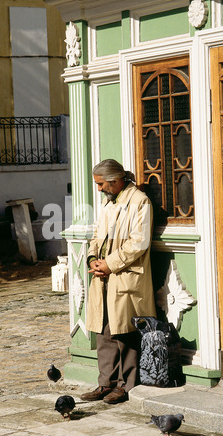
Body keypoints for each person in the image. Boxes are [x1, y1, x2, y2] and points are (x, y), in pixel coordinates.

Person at [80, 159, 156, 405]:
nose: (99, 189)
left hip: (125, 277)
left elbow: (138, 243)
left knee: (125, 333)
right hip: (104, 277)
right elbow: (96, 235)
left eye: (101, 184)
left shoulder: (139, 202)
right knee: (104, 331)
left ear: (114, 181)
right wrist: (93, 259)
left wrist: (109, 264)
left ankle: (126, 386)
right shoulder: (108, 203)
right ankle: (106, 383)